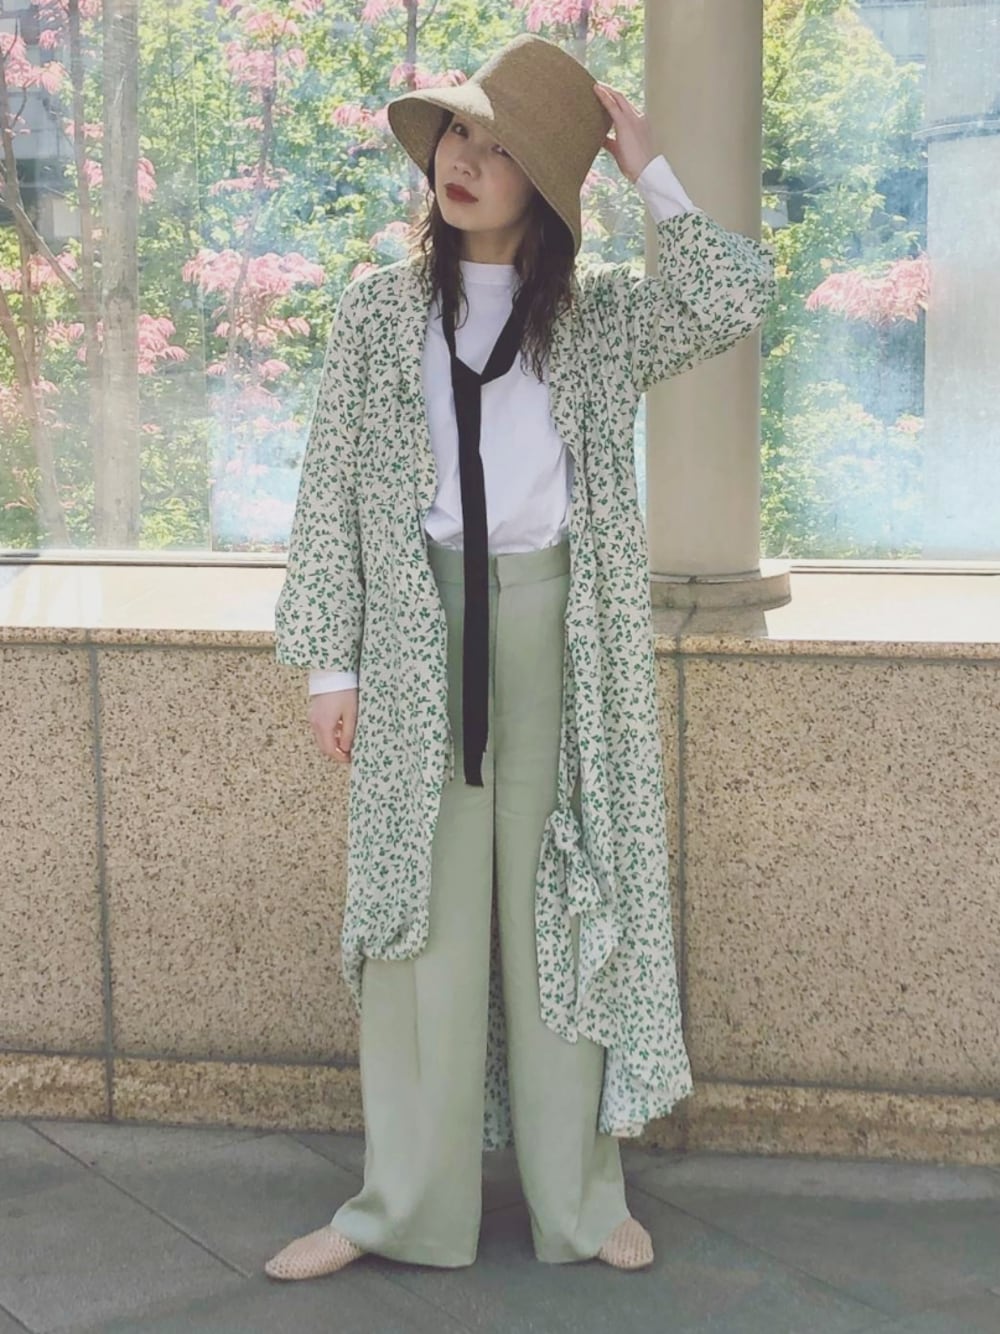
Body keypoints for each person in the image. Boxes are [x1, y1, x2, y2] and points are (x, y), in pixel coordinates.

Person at [267, 32, 775, 1280]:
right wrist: (331, 664)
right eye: (455, 131)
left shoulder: (596, 321)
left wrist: (648, 169)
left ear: (545, 183)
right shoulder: (377, 312)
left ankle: (580, 1202)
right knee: (420, 932)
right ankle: (398, 1208)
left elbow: (729, 298)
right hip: (416, 634)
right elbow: (328, 490)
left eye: (496, 146)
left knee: (564, 910)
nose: (461, 158)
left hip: (560, 632)